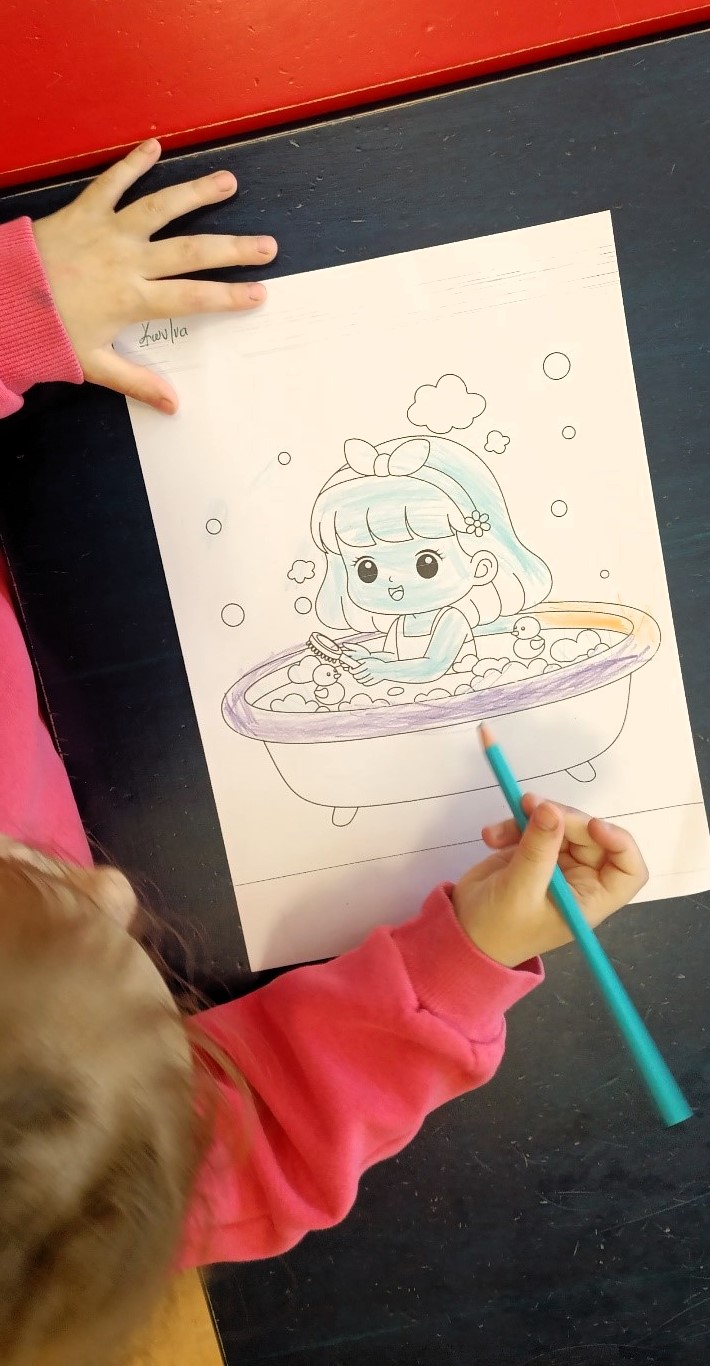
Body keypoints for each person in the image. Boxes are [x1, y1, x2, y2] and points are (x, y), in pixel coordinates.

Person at [0, 140, 648, 1366]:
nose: (114, 888)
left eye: (46, 916)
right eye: (139, 993)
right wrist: (461, 960)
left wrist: (16, 315)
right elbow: (261, 1134)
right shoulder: (66, 1217)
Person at [310, 433, 552, 685]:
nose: (393, 579)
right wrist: (369, 658)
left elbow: (432, 667)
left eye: (426, 564)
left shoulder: (451, 620)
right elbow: (395, 657)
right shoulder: (401, 624)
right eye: (366, 569)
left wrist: (383, 671)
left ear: (480, 567)